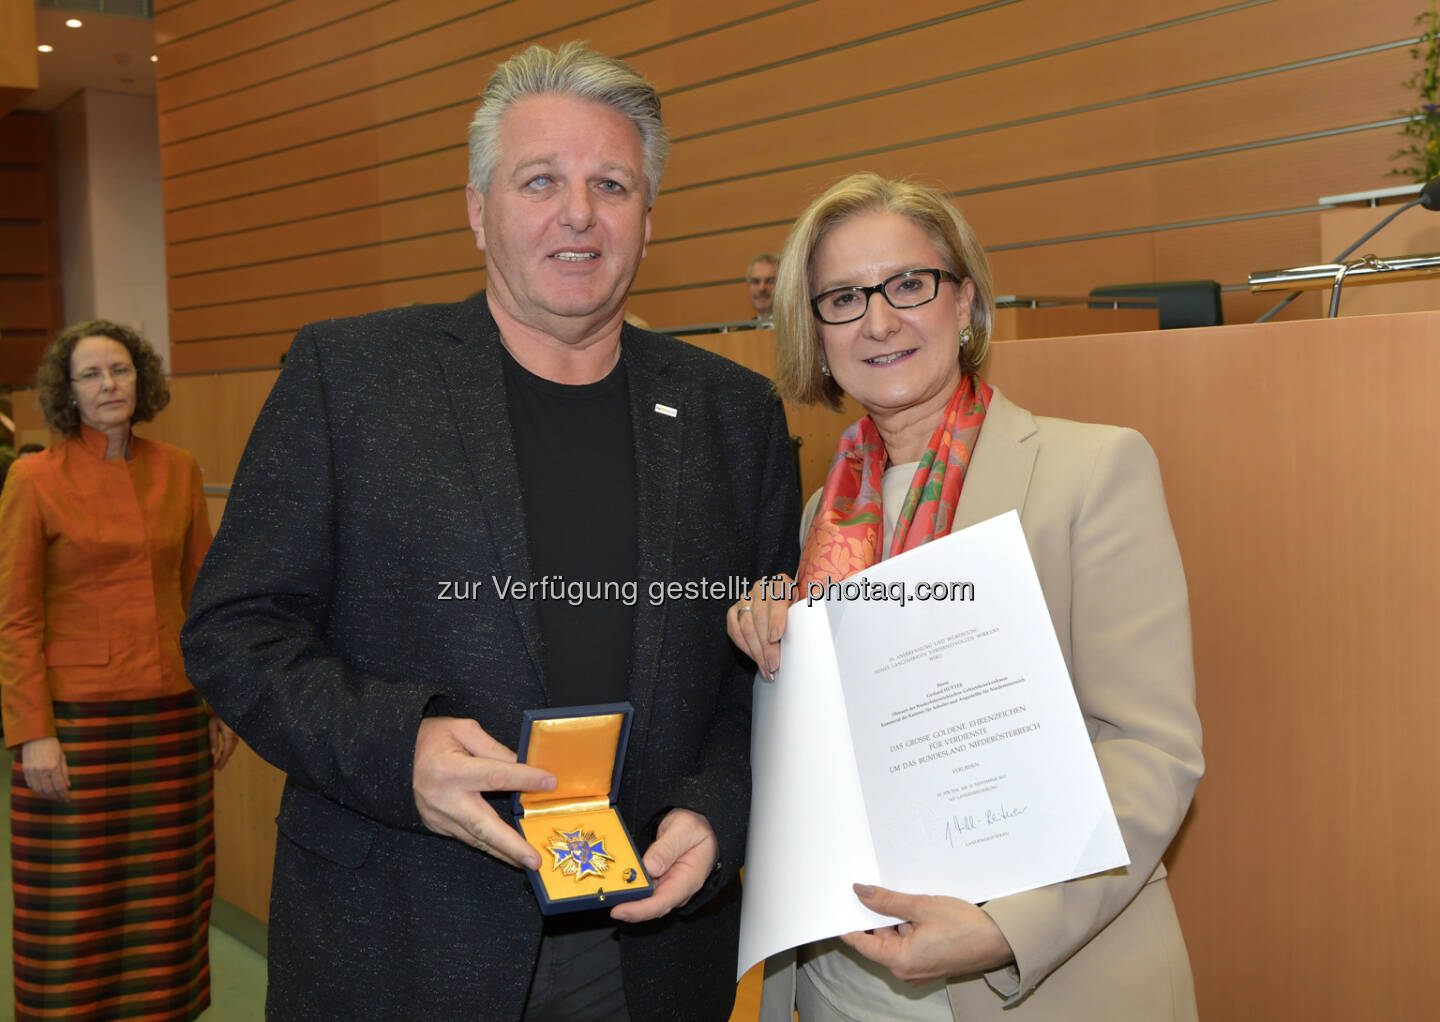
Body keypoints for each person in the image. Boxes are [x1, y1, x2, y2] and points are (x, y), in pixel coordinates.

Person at [180, 42, 799, 1021]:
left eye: (612, 184)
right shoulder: (349, 378)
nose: (580, 212)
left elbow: (758, 673)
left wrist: (717, 811)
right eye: (540, 180)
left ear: (649, 219)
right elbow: (234, 627)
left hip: (646, 945)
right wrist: (398, 747)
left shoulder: (736, 415)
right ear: (478, 210)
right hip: (399, 934)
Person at [727, 173, 1204, 1021]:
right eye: (842, 298)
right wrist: (771, 638)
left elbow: (1151, 754)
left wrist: (1005, 930)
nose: (878, 320)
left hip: (1034, 979)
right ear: (816, 330)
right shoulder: (821, 515)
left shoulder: (1091, 472)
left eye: (908, 284)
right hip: (844, 983)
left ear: (966, 303)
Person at [0, 319, 237, 1022]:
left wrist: (221, 704)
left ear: (142, 380)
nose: (110, 385)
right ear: (67, 392)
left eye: (121, 371)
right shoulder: (32, 478)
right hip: (73, 731)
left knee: (168, 900)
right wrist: (30, 733)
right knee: (72, 907)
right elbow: (14, 618)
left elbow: (206, 599)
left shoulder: (180, 469)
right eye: (92, 375)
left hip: (172, 726)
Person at [746, 253, 779, 322]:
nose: (762, 288)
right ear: (748, 287)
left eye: (770, 281)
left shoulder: (797, 330)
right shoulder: (740, 332)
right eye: (755, 281)